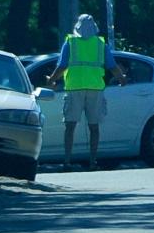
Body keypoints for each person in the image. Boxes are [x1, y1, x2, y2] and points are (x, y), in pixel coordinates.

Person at [46, 14, 127, 171]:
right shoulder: (100, 44)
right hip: (95, 88)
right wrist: (121, 79)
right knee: (94, 127)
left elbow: (62, 66)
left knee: (70, 126)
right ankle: (92, 161)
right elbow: (112, 65)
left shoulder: (70, 43)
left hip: (74, 88)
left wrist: (51, 81)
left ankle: (68, 161)